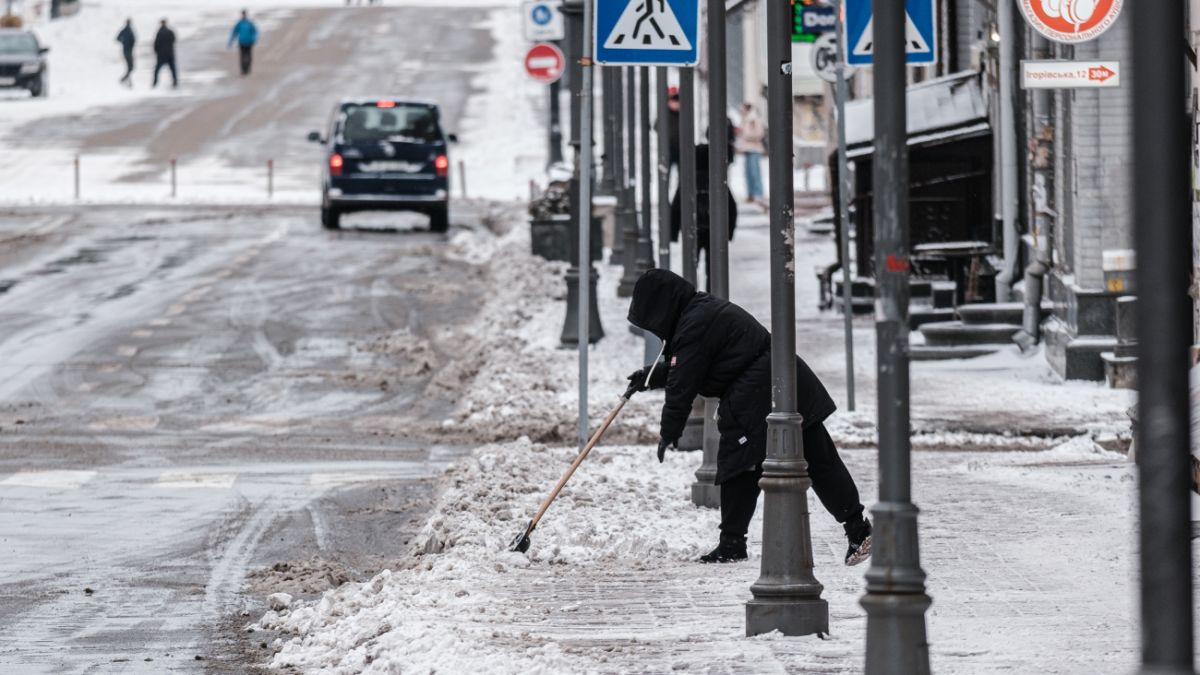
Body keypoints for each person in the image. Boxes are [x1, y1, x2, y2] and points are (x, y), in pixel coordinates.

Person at [626, 269, 873, 566]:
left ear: (660, 307)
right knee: (817, 457)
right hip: (780, 376)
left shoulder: (694, 323)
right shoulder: (697, 313)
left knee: (739, 461)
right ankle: (857, 528)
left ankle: (732, 543)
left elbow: (683, 382)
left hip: (759, 385)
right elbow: (690, 366)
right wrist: (650, 377)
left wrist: (669, 431)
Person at [669, 144, 736, 293]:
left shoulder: (688, 182)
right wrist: (729, 232)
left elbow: (676, 207)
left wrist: (673, 233)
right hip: (714, 231)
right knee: (712, 268)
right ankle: (711, 295)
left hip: (693, 229)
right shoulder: (717, 182)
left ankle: (692, 296)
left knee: (691, 265)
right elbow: (731, 207)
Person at [735, 102, 767, 206]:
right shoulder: (745, 120)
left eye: (742, 109)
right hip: (747, 149)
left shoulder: (753, 119)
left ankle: (758, 194)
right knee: (748, 173)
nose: (741, 111)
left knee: (754, 172)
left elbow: (759, 133)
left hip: (754, 148)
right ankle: (751, 194)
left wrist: (746, 135)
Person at [228, 10, 259, 76]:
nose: (243, 15)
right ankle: (243, 70)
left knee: (249, 56)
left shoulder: (249, 23)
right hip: (241, 42)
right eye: (243, 14)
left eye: (244, 14)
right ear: (241, 15)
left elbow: (255, 31)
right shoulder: (239, 23)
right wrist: (231, 41)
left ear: (246, 15)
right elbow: (234, 32)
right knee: (242, 56)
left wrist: (254, 39)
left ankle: (248, 68)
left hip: (249, 42)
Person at [152, 19, 177, 89]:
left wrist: (157, 52)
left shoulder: (159, 33)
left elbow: (156, 44)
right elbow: (174, 40)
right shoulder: (170, 32)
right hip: (169, 53)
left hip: (161, 55)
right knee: (172, 69)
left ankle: (155, 82)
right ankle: (175, 82)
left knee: (157, 69)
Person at [116, 19, 136, 87]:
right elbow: (117, 38)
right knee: (130, 67)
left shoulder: (126, 30)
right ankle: (124, 80)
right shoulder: (127, 31)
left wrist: (124, 43)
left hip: (127, 50)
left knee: (130, 67)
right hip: (127, 51)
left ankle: (127, 80)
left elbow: (133, 40)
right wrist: (124, 43)